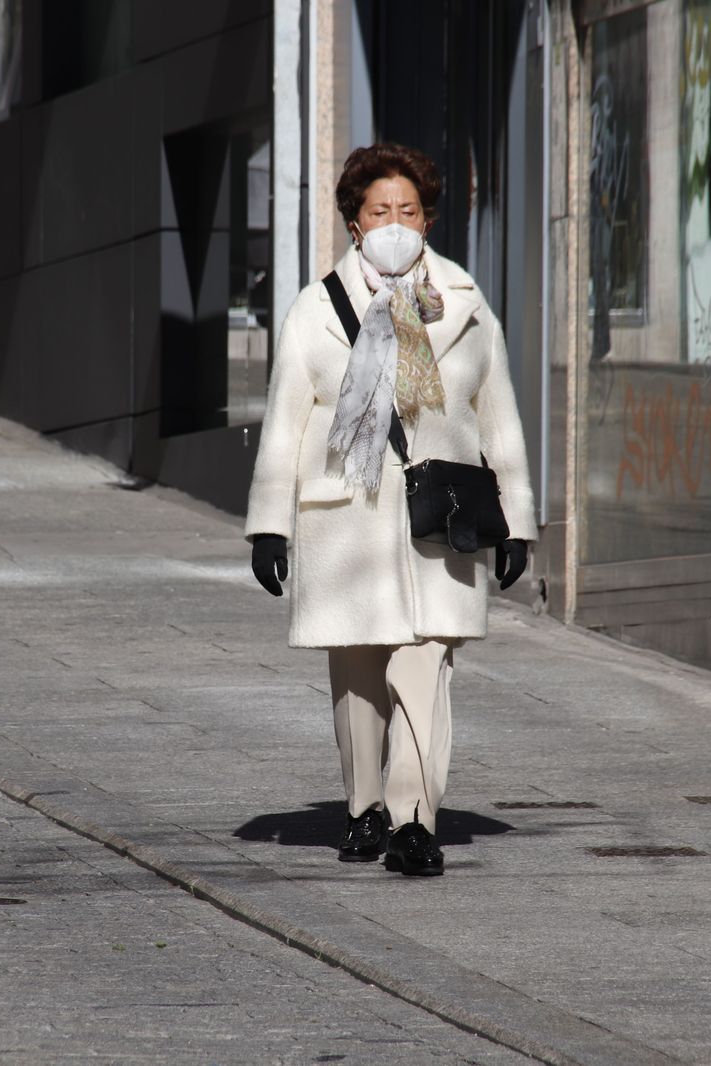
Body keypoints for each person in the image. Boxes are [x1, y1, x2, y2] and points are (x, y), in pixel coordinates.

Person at [245, 143, 536, 877]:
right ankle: (363, 805)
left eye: (409, 209)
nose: (396, 222)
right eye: (381, 210)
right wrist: (269, 525)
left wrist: (518, 519)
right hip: (346, 521)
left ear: (428, 217)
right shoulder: (315, 310)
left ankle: (412, 820)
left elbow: (496, 413)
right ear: (354, 220)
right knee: (358, 677)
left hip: (439, 516)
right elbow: (286, 421)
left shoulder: (466, 304)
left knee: (424, 664)